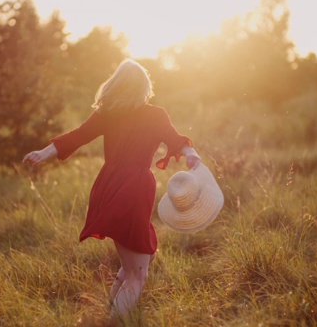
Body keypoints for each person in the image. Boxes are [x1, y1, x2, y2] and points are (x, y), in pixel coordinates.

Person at [22, 58, 200, 318]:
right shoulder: (153, 114)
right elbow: (176, 139)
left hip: (109, 185)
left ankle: (107, 314)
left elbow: (78, 135)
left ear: (116, 84)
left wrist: (44, 151)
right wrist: (191, 152)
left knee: (141, 260)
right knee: (137, 275)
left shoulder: (108, 113)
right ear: (144, 86)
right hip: (135, 187)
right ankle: (113, 322)